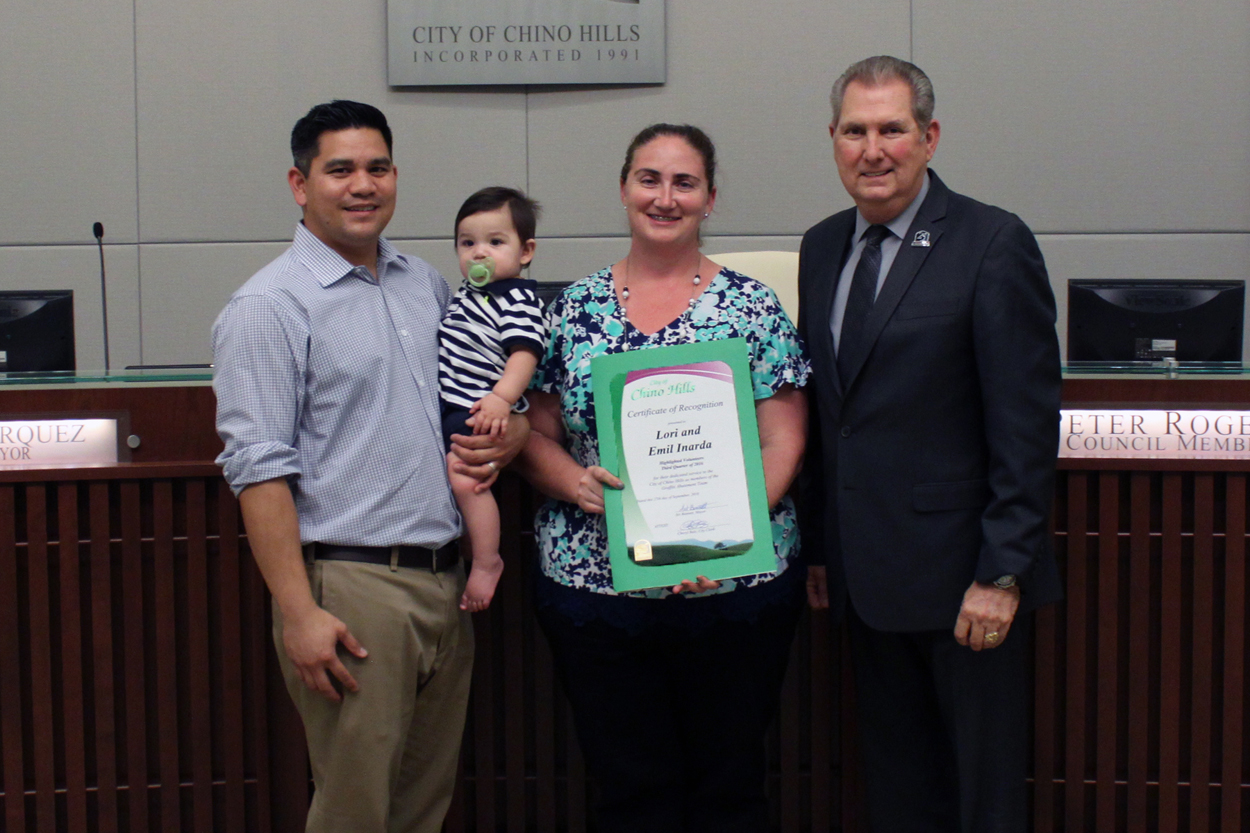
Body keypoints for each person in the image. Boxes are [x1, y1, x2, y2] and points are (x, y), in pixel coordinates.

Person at [212, 100, 525, 833]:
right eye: (340, 169)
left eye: (378, 168)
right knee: (355, 812)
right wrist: (299, 613)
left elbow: (476, 397)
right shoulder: (268, 305)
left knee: (422, 808)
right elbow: (258, 471)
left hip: (445, 583)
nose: (363, 184)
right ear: (300, 184)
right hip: (352, 590)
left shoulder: (426, 284)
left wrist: (510, 431)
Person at [517, 123, 810, 833]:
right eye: (649, 179)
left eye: (685, 183)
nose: (665, 197)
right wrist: (573, 483)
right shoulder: (573, 309)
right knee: (628, 793)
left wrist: (724, 537)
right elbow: (535, 432)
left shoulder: (752, 306)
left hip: (731, 588)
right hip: (596, 591)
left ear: (710, 198)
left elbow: (785, 437)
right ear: (624, 188)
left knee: (729, 790)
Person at [798, 56, 1063, 832]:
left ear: (929, 137)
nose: (872, 150)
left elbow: (1025, 426)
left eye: (892, 129)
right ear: (833, 139)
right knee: (899, 794)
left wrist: (1003, 572)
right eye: (855, 131)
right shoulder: (821, 246)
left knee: (981, 799)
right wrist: (820, 546)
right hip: (864, 580)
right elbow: (830, 412)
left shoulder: (991, 241)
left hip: (964, 583)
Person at [439, 186, 545, 611]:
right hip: (455, 404)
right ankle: (471, 541)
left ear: (526, 251)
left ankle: (487, 560)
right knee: (455, 478)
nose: (479, 252)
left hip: (482, 409)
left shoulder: (517, 298)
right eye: (467, 243)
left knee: (464, 476)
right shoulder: (468, 294)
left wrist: (502, 398)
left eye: (495, 242)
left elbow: (525, 353)